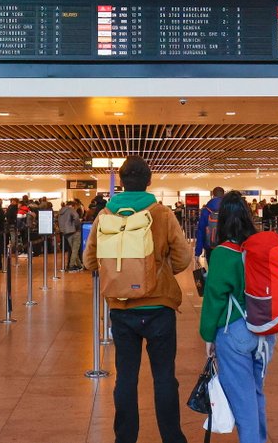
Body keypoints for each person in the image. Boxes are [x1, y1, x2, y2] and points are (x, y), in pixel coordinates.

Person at [83, 156, 191, 443]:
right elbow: (183, 257)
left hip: (121, 307)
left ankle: (125, 438)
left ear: (120, 182)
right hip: (159, 307)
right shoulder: (162, 214)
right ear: (149, 181)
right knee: (165, 377)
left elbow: (89, 260)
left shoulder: (105, 215)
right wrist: (160, 271)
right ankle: (172, 438)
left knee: (126, 378)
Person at [199, 191, 276, 443]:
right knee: (256, 393)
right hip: (265, 329)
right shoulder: (260, 247)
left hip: (236, 332)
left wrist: (208, 336)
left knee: (242, 399)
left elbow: (215, 298)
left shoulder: (223, 252)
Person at [195, 186, 225, 261]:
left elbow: (201, 231)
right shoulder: (228, 209)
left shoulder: (206, 210)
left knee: (211, 269)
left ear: (213, 195)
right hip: (225, 246)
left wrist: (198, 251)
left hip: (209, 246)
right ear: (223, 195)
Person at [57, 199, 82, 271]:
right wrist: (77, 226)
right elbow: (76, 218)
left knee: (73, 249)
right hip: (74, 231)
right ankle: (71, 265)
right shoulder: (71, 210)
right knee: (75, 249)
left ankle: (79, 265)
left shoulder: (61, 211)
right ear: (73, 205)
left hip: (66, 232)